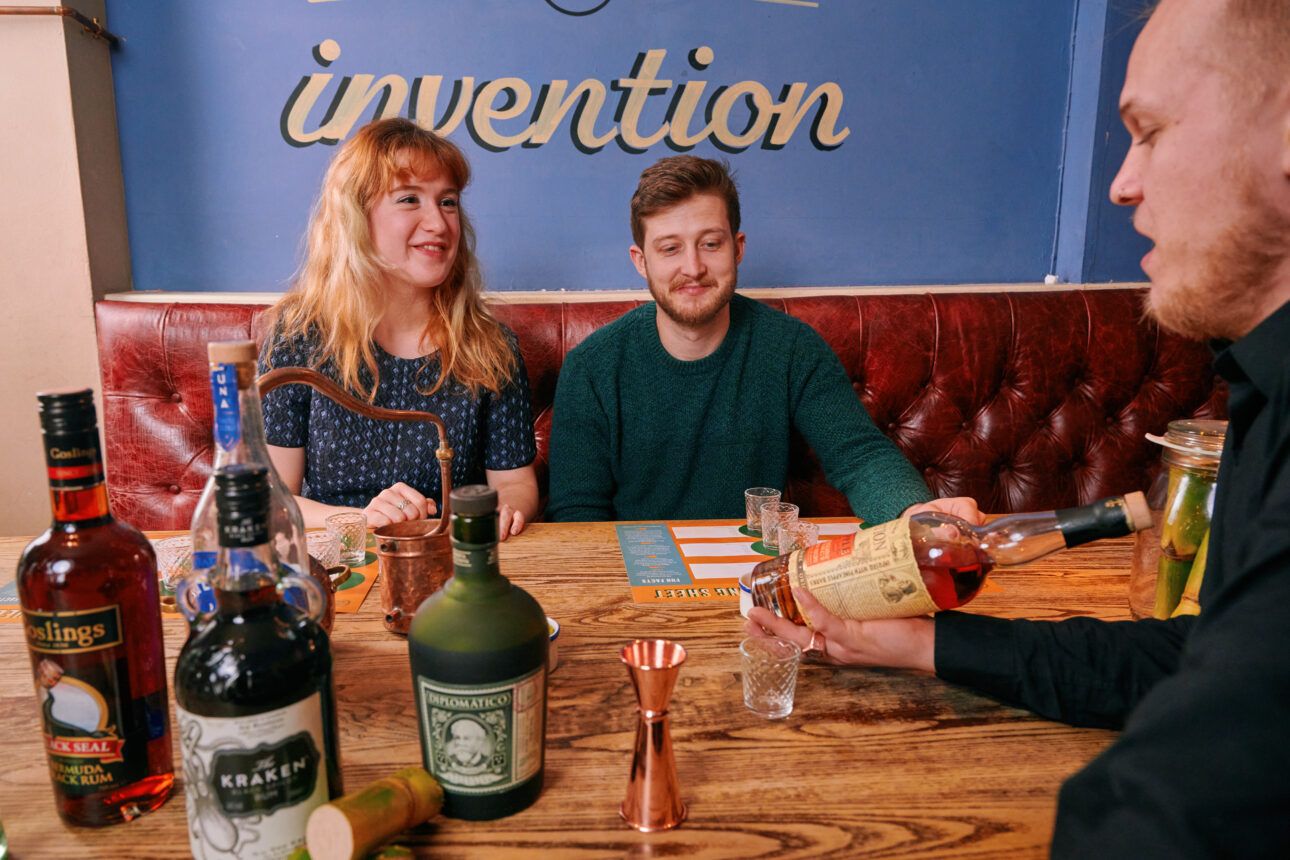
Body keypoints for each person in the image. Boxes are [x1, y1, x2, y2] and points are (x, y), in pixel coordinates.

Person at [747, 0, 1290, 854]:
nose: (1122, 183)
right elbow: (1193, 664)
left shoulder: (783, 344)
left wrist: (914, 523)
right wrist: (925, 648)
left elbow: (1167, 814)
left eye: (1147, 130)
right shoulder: (1259, 383)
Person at [546, 155, 981, 526]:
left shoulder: (791, 348)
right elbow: (577, 512)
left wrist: (913, 513)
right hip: (637, 581)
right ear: (641, 261)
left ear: (738, 248)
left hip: (756, 571)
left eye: (710, 243)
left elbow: (859, 455)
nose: (693, 267)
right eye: (670, 248)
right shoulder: (593, 366)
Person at [260, 118, 538, 539]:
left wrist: (505, 511)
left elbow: (515, 482)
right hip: (342, 563)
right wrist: (361, 520)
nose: (439, 224)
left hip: (448, 557)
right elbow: (270, 500)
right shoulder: (298, 337)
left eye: (447, 202)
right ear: (356, 218)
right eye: (409, 199)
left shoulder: (490, 346)